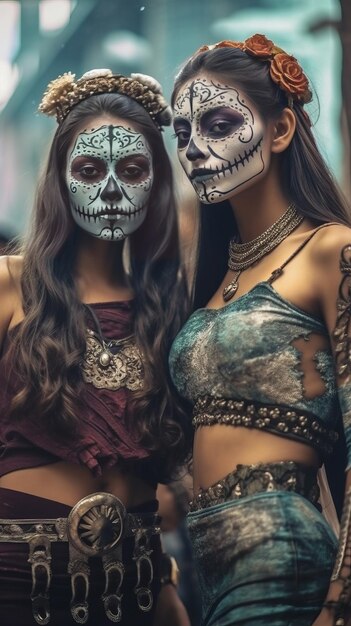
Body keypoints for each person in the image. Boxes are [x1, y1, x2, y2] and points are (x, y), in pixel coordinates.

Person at [168, 33, 351, 625]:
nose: (196, 149)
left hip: (284, 564)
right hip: (208, 572)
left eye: (219, 123)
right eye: (182, 134)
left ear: (280, 131)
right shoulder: (214, 277)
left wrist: (339, 607)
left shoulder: (333, 253)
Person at [0, 68, 192, 625]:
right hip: (15, 587)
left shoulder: (171, 308)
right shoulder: (12, 285)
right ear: (60, 179)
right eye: (88, 169)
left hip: (134, 591)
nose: (110, 190)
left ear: (156, 183)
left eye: (132, 170)